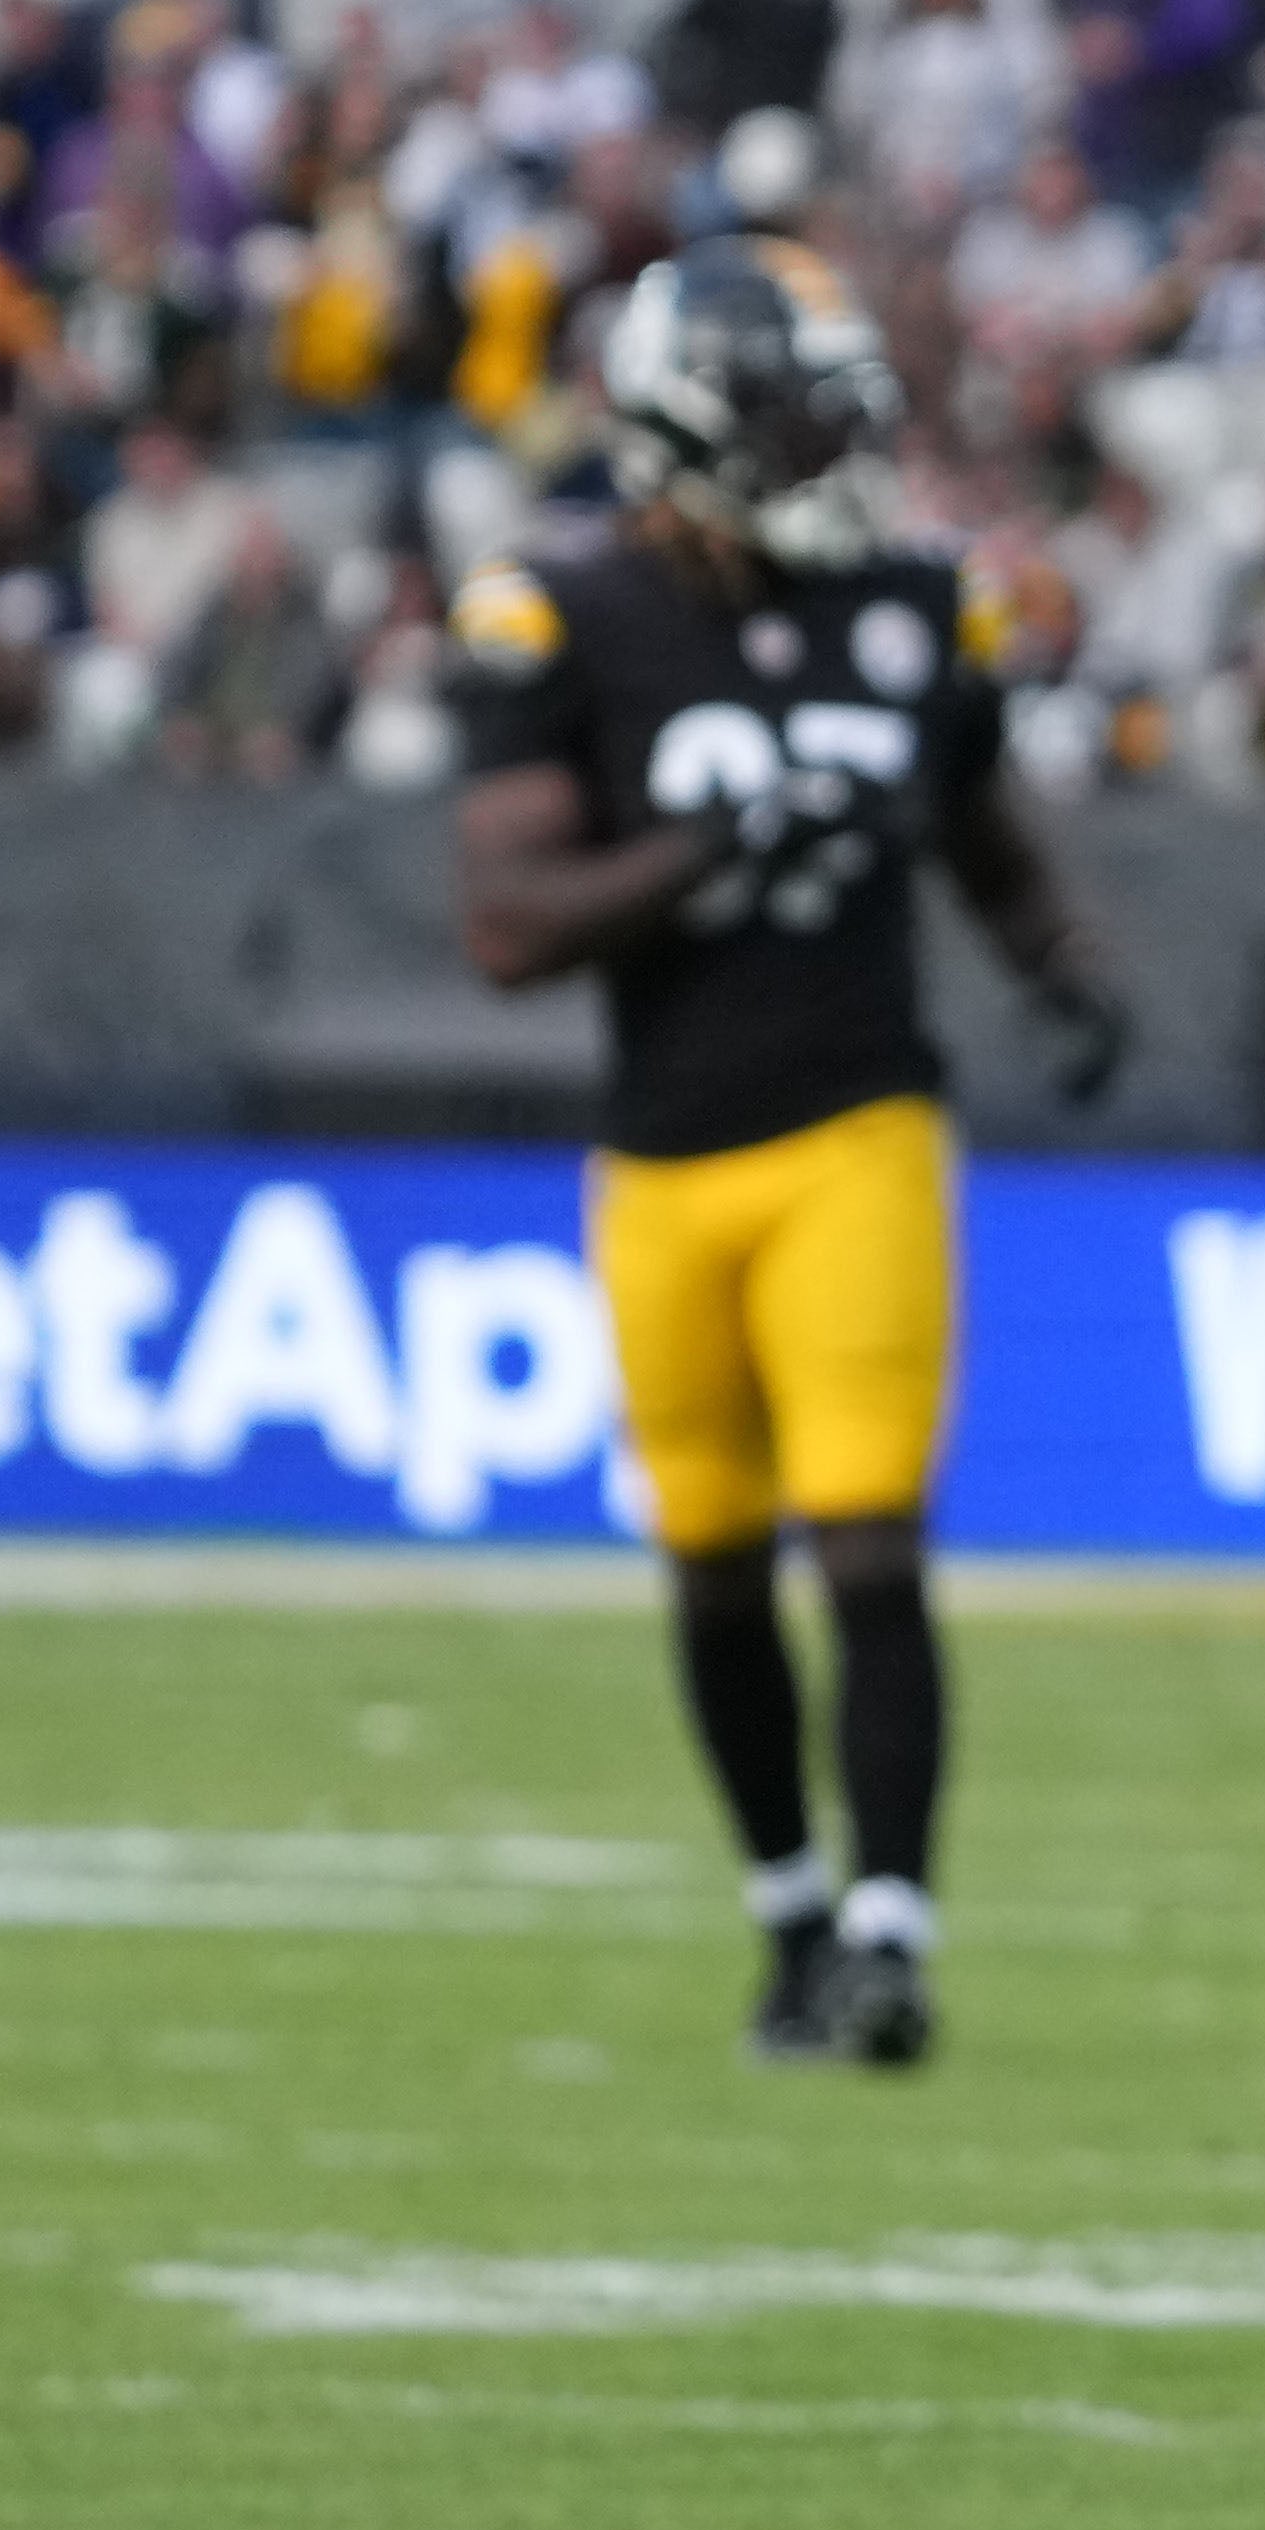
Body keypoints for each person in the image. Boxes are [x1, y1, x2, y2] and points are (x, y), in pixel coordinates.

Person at [451, 246, 1132, 2065]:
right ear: (684, 432)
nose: (831, 446)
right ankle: (786, 1916)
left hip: (860, 1122)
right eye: (790, 414)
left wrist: (1063, 971)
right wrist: (713, 848)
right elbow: (507, 923)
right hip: (666, 1152)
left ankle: (891, 1936)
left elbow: (982, 831)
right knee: (712, 1560)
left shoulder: (916, 605)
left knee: (872, 1542)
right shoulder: (561, 615)